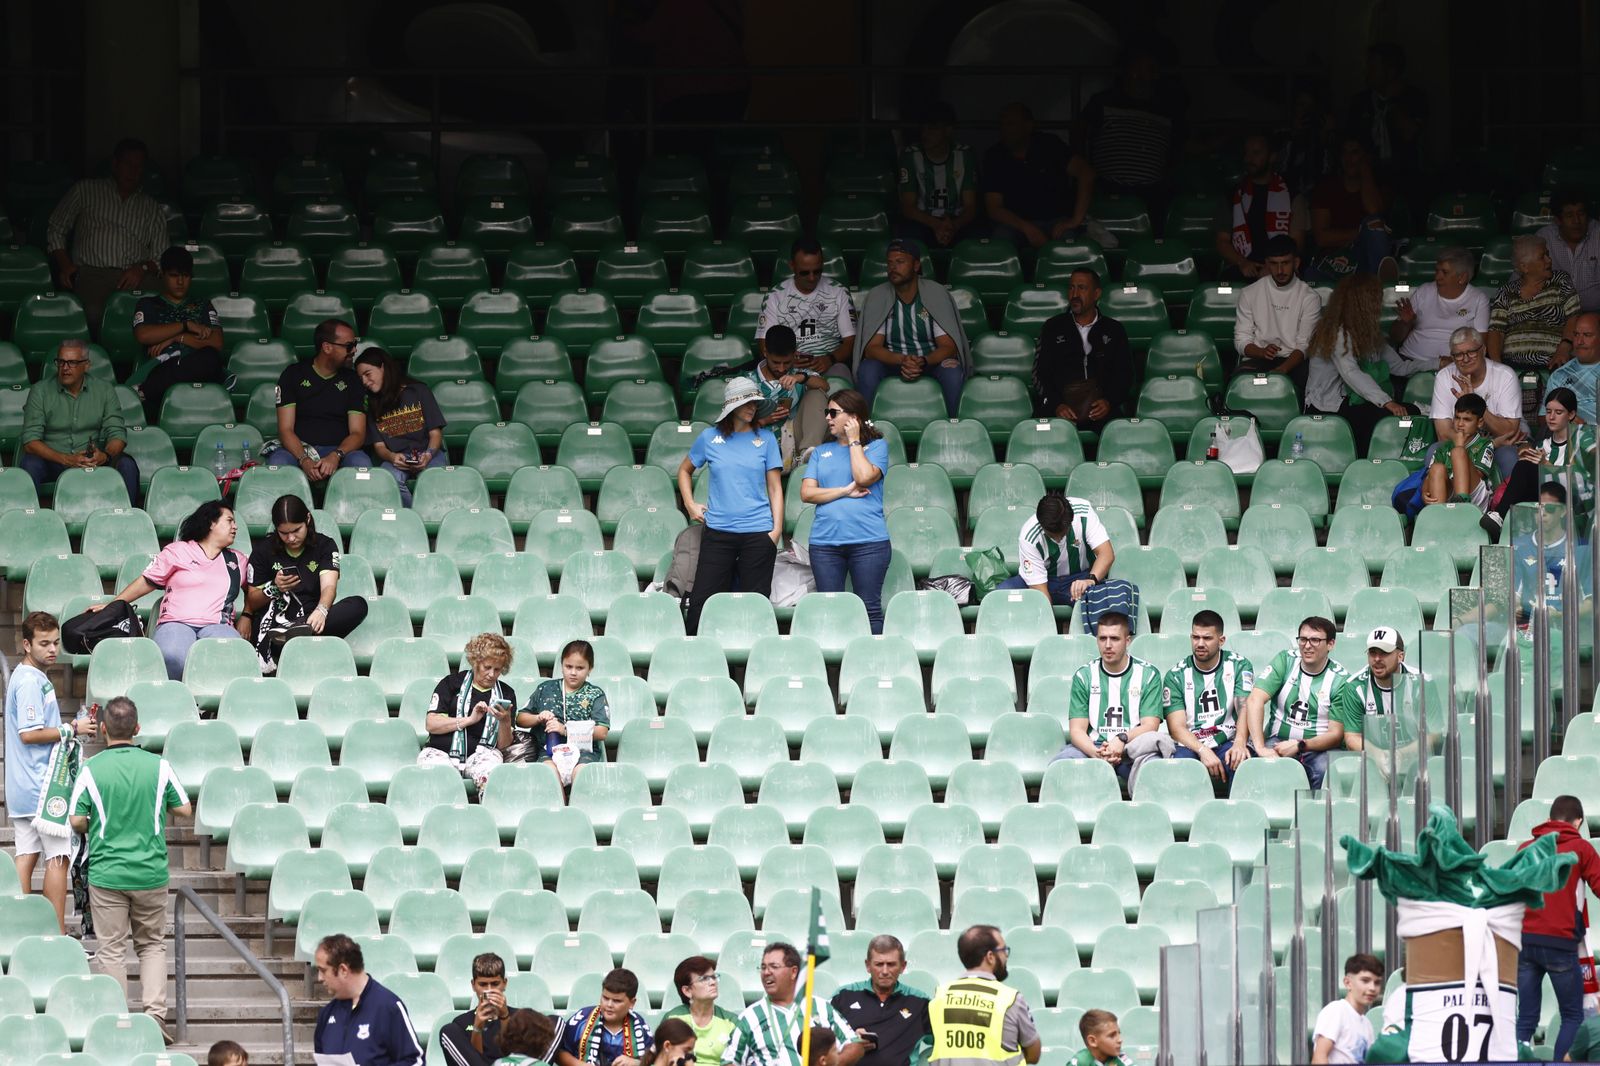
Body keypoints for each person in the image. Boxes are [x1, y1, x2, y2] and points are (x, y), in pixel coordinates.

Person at [67, 696, 192, 1040]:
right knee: (151, 945)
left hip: (108, 874)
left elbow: (76, 819)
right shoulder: (159, 766)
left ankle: (117, 1022)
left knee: (111, 949)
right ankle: (154, 1018)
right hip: (150, 872)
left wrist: (94, 823)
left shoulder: (93, 769)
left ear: (103, 729)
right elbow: (184, 809)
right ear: (137, 729)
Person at [6, 611, 96, 932]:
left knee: (27, 854)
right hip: (42, 787)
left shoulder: (25, 676)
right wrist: (72, 728)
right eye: (44, 643)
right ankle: (55, 933)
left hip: (23, 786)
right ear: (26, 644)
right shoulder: (30, 681)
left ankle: (17, 929)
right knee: (58, 857)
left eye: (56, 642)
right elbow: (29, 734)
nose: (52, 649)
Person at [97, 499, 248, 680]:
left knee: (234, 657)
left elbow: (255, 591)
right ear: (211, 523)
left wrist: (247, 615)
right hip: (176, 623)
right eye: (229, 520)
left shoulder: (238, 560)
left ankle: (212, 707)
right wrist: (113, 605)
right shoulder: (178, 551)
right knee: (172, 656)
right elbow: (146, 581)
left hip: (218, 626)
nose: (235, 527)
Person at [677, 377, 783, 635]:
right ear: (731, 406)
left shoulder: (767, 439)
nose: (753, 407)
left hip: (758, 533)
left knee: (755, 609)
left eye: (756, 403)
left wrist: (776, 531)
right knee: (702, 604)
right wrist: (690, 505)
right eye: (747, 402)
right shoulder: (709, 438)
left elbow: (775, 488)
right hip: (718, 533)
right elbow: (684, 471)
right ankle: (696, 660)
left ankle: (752, 667)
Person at [45, 137, 167, 336]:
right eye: (128, 164)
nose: (133, 171)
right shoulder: (86, 190)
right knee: (94, 315)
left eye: (138, 166)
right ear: (115, 164)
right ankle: (102, 363)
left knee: (165, 311)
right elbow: (56, 227)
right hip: (94, 274)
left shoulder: (151, 207)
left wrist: (142, 268)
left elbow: (162, 257)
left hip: (137, 275)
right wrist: (65, 265)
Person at [241, 495, 367, 675]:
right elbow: (252, 601)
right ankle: (295, 634)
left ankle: (299, 631)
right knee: (267, 630)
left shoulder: (325, 545)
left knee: (358, 605)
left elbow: (329, 587)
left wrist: (321, 610)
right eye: (284, 533)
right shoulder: (263, 550)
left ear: (307, 519)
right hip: (275, 629)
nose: (291, 538)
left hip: (312, 620)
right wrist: (274, 588)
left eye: (296, 530)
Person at [801, 389, 891, 633]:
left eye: (833, 413)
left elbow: (863, 476)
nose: (828, 418)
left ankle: (873, 667)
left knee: (869, 609)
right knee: (831, 611)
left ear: (854, 417)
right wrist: (843, 491)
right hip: (825, 544)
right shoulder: (820, 452)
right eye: (826, 412)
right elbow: (807, 493)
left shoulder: (877, 447)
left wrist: (854, 440)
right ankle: (836, 670)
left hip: (869, 542)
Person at [1518, 795, 1600, 1061]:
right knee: (1573, 1015)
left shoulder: (1525, 848)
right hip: (1560, 944)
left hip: (1525, 942)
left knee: (1527, 1017)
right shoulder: (1581, 848)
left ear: (1550, 819)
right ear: (1578, 822)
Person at [851, 240, 971, 418]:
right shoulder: (878, 296)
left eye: (900, 262)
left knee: (952, 370)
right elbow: (872, 349)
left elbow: (948, 347)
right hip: (892, 362)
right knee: (868, 369)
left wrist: (923, 360)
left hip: (930, 362)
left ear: (916, 265)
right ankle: (865, 429)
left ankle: (954, 427)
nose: (893, 267)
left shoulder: (935, 294)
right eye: (890, 263)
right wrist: (903, 359)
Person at [20, 337, 140, 505]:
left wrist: (104, 456)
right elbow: (30, 442)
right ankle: (27, 521)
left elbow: (118, 435)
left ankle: (130, 521)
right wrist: (65, 459)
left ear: (87, 365)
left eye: (72, 363)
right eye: (60, 362)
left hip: (91, 461)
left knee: (127, 464)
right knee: (30, 463)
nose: (65, 368)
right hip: (54, 460)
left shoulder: (104, 390)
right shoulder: (40, 391)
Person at [1303, 273, 1413, 454]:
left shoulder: (1367, 333)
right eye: (1376, 299)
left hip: (1353, 401)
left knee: (1410, 411)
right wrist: (1387, 402)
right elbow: (1351, 372)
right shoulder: (1338, 332)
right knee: (1384, 417)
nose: (1380, 304)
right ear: (1363, 303)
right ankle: (1367, 465)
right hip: (1328, 405)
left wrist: (1438, 363)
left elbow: (1400, 367)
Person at [1051, 613, 1164, 788]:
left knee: (1153, 771)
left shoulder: (1149, 675)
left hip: (1132, 747)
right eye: (1102, 638)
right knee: (1061, 766)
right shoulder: (1084, 675)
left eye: (1115, 639)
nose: (1108, 645)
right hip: (1093, 747)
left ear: (1127, 641)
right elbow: (1077, 730)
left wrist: (1122, 739)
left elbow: (1150, 725)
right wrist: (1097, 754)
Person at [1077, 46, 1185, 221]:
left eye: (1149, 70)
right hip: (1108, 185)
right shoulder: (1104, 101)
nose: (1141, 75)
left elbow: (1180, 145)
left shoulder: (1167, 108)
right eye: (1137, 69)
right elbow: (1081, 131)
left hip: (1152, 190)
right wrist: (1084, 163)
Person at [1243, 616, 1348, 790]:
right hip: (1278, 739)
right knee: (1254, 764)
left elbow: (1336, 734)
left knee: (1325, 771)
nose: (1307, 646)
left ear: (1330, 644)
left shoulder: (1340, 680)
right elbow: (1255, 699)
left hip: (1319, 746)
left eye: (1315, 640)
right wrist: (1260, 747)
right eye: (1303, 639)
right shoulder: (1285, 660)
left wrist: (1300, 745)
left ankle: (1316, 814)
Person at [131, 245, 227, 424]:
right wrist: (185, 325)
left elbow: (217, 342)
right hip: (163, 367)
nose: (180, 282)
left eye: (185, 276)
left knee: (210, 357)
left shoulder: (202, 305)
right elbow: (143, 335)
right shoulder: (149, 304)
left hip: (198, 370)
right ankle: (150, 388)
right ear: (163, 275)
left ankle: (145, 390)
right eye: (174, 276)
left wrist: (177, 337)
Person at [724, 942, 861, 1066]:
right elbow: (729, 1061)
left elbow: (854, 1044)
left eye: (774, 967)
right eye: (763, 967)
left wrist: (834, 1063)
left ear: (794, 972)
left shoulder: (821, 1007)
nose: (766, 972)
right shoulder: (749, 1017)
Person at [1030, 268, 1133, 434]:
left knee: (1120, 433)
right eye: (1071, 288)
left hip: (1100, 409)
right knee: (1037, 432)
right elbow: (1039, 374)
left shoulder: (1114, 330)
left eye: (1082, 288)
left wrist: (1109, 401)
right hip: (1060, 407)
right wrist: (1056, 405)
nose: (1075, 294)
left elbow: (1125, 375)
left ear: (1096, 293)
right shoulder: (1053, 327)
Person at [982, 102, 1096, 251]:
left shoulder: (1049, 145)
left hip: (1056, 222)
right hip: (1016, 224)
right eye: (1002, 124)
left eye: (1011, 124)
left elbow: (1086, 173)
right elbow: (994, 208)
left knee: (1069, 245)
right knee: (1001, 242)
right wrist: (1027, 228)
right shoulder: (995, 155)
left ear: (1028, 126)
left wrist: (1075, 220)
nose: (1005, 129)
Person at [1486, 389, 1596, 538]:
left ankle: (1500, 515)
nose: (1551, 417)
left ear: (1571, 414)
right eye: (1549, 411)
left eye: (1558, 412)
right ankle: (1504, 525)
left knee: (1525, 468)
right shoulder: (1542, 445)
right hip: (1547, 504)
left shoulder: (1583, 437)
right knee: (1523, 467)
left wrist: (1547, 465)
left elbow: (1584, 477)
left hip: (1579, 503)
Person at [271, 318, 373, 480]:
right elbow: (285, 430)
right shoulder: (293, 374)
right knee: (279, 461)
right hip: (300, 450)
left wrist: (336, 455)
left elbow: (358, 433)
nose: (354, 350)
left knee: (361, 464)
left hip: (340, 451)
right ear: (327, 347)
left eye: (354, 345)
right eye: (349, 346)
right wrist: (304, 459)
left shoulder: (353, 380)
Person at [1162, 610, 1254, 784]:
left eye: (1207, 638)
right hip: (1190, 743)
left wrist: (1240, 743)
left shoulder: (1239, 665)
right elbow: (1176, 728)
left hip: (1228, 738)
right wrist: (1203, 749)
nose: (1200, 643)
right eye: (1195, 637)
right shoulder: (1175, 676)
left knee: (1241, 763)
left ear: (1221, 640)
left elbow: (1244, 708)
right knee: (1178, 768)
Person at [926, 925, 1040, 1066]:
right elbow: (1034, 1054)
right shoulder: (1010, 999)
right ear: (990, 957)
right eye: (1003, 950)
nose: (1006, 956)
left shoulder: (939, 997)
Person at [1487, 235, 1582, 402]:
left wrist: (1565, 347)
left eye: (1548, 254)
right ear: (1525, 267)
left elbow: (1573, 317)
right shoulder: (1506, 292)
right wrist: (1497, 366)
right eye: (1542, 256)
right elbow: (1496, 330)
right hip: (1513, 365)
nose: (1549, 260)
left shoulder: (1560, 280)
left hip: (1553, 364)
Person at [353, 345, 448, 506]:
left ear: (383, 367)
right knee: (388, 482)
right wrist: (392, 457)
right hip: (396, 458)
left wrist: (429, 455)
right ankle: (415, 519)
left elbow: (435, 434)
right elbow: (379, 446)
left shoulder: (418, 391)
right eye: (361, 378)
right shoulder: (371, 403)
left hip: (427, 453)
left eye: (368, 374)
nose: (365, 382)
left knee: (435, 480)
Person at [420, 632, 517, 789]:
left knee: (493, 778)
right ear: (475, 662)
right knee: (437, 778)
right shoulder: (451, 683)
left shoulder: (507, 693)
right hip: (441, 751)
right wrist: (469, 720)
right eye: (487, 667)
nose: (492, 674)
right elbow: (431, 724)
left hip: (483, 755)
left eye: (497, 670)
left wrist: (505, 721)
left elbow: (504, 745)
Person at [312, 933, 426, 1065]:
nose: (319, 978)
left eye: (323, 970)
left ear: (343, 970)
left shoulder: (388, 1007)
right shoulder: (327, 1014)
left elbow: (415, 1062)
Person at [1388, 246, 1491, 389]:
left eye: (1445, 272)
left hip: (1453, 368)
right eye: (1437, 271)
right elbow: (1395, 337)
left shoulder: (1478, 299)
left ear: (1462, 277)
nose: (1437, 277)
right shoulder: (1424, 291)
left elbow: (1480, 344)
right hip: (1410, 363)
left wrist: (1458, 361)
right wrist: (1405, 323)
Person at [1431, 326, 1526, 479]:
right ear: (1452, 357)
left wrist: (1475, 401)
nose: (1466, 358)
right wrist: (1483, 444)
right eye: (1459, 355)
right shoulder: (1444, 377)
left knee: (1509, 456)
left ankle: (1503, 502)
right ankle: (1444, 502)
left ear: (1483, 350)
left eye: (1471, 352)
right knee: (1434, 450)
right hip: (1464, 444)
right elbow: (1443, 434)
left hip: (1498, 447)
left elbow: (1509, 431)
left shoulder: (1505, 375)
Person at [758, 238, 857, 381]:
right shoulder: (775, 296)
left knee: (841, 375)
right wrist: (788, 361)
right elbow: (764, 343)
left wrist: (830, 359)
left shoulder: (839, 292)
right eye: (805, 272)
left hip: (830, 364)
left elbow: (850, 341)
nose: (812, 278)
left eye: (817, 271)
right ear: (792, 266)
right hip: (787, 366)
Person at [1232, 235, 1323, 386]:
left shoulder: (1310, 298)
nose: (1280, 270)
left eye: (1285, 263)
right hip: (1259, 359)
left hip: (1295, 362)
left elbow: (1304, 346)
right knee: (1241, 384)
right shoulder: (1249, 293)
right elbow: (1241, 340)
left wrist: (1282, 370)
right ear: (1267, 264)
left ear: (1296, 263)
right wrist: (1261, 352)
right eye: (1274, 264)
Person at [1306, 134, 1396, 283]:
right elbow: (1322, 238)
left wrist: (1365, 170)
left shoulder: (1380, 188)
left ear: (1366, 156)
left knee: (1373, 224)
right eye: (1345, 153)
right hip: (1334, 260)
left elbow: (1374, 211)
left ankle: (1382, 286)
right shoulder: (1326, 188)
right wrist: (1363, 233)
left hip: (1365, 259)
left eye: (1355, 153)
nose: (1349, 159)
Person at [830, 935, 932, 1066]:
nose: (885, 971)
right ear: (868, 966)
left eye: (891, 964)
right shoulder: (843, 996)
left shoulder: (920, 1002)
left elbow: (943, 1039)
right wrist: (849, 1040)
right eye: (879, 964)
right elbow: (819, 1041)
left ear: (903, 966)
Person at [998, 493, 1113, 607]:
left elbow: (1106, 554)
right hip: (1043, 582)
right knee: (1002, 594)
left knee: (1100, 602)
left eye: (1062, 534)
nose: (1058, 540)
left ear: (1070, 521)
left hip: (1080, 578)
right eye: (1052, 535)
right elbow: (1041, 594)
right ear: (1041, 524)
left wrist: (1090, 580)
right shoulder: (1028, 537)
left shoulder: (1084, 512)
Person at [515, 639, 610, 773]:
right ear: (561, 665)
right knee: (549, 772)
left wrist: (565, 730)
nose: (573, 672)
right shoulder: (545, 688)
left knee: (581, 772)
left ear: (590, 668)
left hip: (583, 752)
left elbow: (602, 732)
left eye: (580, 668)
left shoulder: (595, 694)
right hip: (549, 751)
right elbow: (520, 718)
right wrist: (538, 718)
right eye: (568, 666)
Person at [744, 324, 829, 470]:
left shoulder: (800, 374)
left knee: (817, 392)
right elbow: (732, 426)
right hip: (761, 443)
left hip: (795, 439)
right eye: (776, 362)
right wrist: (765, 419)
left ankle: (809, 454)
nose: (782, 369)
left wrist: (801, 378)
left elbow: (825, 385)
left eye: (787, 362)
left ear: (795, 354)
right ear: (765, 352)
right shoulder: (748, 381)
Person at [897, 102, 980, 249]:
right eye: (923, 128)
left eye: (932, 128)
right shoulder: (911, 155)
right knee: (908, 237)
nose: (925, 134)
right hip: (923, 220)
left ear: (948, 130)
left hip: (956, 220)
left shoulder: (965, 155)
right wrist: (936, 224)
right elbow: (908, 206)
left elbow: (970, 206)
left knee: (977, 238)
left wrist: (953, 225)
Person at [1216, 132, 1297, 278]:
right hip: (1241, 270)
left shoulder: (1292, 194)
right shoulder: (1232, 194)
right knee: (1222, 292)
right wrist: (1242, 263)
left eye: (1256, 153)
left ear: (1272, 157)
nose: (1248, 159)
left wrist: (1273, 267)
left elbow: (1297, 243)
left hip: (1281, 272)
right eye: (1246, 153)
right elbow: (1222, 242)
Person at [1332, 628, 1424, 753]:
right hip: (1372, 759)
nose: (1377, 659)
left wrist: (1402, 754)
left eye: (1384, 653)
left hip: (1415, 756)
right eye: (1372, 653)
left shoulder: (1422, 683)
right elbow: (1352, 738)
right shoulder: (1355, 687)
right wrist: (1379, 755)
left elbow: (1433, 735)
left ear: (1400, 656)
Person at [1348, 44, 1428, 181]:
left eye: (1373, 68)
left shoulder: (1414, 98)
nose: (1367, 72)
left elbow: (1411, 133)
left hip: (1405, 180)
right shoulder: (1360, 102)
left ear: (1390, 71)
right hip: (1369, 179)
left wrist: (1391, 103)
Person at [554, 967, 654, 1066]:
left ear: (632, 1003)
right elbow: (558, 1052)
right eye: (605, 998)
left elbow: (656, 1058)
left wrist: (637, 1062)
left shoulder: (639, 1026)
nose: (609, 1005)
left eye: (617, 1001)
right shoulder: (581, 1020)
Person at [661, 956, 740, 1066]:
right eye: (704, 979)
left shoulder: (731, 1022)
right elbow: (661, 1061)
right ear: (687, 991)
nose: (713, 982)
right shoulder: (674, 1019)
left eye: (714, 977)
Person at [439, 951, 513, 1065]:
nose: (489, 990)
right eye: (483, 984)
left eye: (495, 984)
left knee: (548, 1022)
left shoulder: (520, 1017)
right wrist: (477, 1027)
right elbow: (471, 1060)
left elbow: (516, 1058)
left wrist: (504, 1017)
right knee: (448, 1030)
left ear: (504, 983)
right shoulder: (461, 1023)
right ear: (473, 985)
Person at [1422, 393, 1495, 510]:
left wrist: (1460, 447)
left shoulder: (1485, 444)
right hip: (1449, 495)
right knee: (1436, 468)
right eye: (1457, 418)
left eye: (1467, 419)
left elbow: (1479, 474)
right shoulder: (1444, 447)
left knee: (1458, 452)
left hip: (1475, 495)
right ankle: (1437, 514)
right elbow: (1429, 476)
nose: (1460, 424)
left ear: (1480, 422)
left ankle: (1462, 503)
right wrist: (1424, 492)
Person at [1311, 954, 1383, 1065]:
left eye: (1377, 982)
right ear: (1348, 983)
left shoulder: (1367, 1025)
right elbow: (1319, 1057)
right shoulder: (1336, 1011)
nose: (1372, 988)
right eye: (1365, 980)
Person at [1539, 187, 1600, 313]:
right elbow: (1520, 283)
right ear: (1557, 220)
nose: (1577, 221)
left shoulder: (1597, 234)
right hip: (1555, 316)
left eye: (1581, 214)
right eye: (1569, 215)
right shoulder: (1543, 239)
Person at [1545, 312, 1600, 424]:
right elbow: (1543, 417)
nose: (1579, 342)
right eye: (1576, 335)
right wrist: (1567, 421)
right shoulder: (1560, 374)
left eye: (1587, 335)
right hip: (1570, 436)